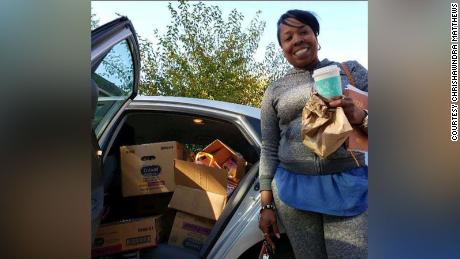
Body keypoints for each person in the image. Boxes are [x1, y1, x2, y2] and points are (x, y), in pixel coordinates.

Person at [258, 9, 368, 258]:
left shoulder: (350, 71)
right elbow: (269, 148)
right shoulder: (274, 90)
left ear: (316, 36)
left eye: (303, 31)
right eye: (288, 37)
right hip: (293, 191)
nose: (296, 40)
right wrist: (266, 204)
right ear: (283, 48)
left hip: (347, 185)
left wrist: (361, 117)